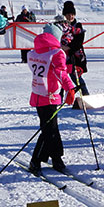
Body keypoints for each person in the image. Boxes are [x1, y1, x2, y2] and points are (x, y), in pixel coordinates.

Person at [27, 23, 77, 174]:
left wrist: (68, 68)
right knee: (49, 131)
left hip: (37, 95)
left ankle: (55, 158)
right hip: (49, 97)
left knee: (50, 129)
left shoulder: (36, 51)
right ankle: (37, 161)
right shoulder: (56, 53)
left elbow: (51, 70)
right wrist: (70, 88)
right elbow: (59, 73)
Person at [60, 1, 88, 97]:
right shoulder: (61, 26)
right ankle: (60, 96)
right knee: (61, 76)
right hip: (63, 56)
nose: (70, 17)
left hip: (75, 56)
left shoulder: (78, 26)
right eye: (68, 15)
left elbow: (79, 42)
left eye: (72, 15)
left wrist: (68, 48)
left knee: (75, 77)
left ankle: (85, 95)